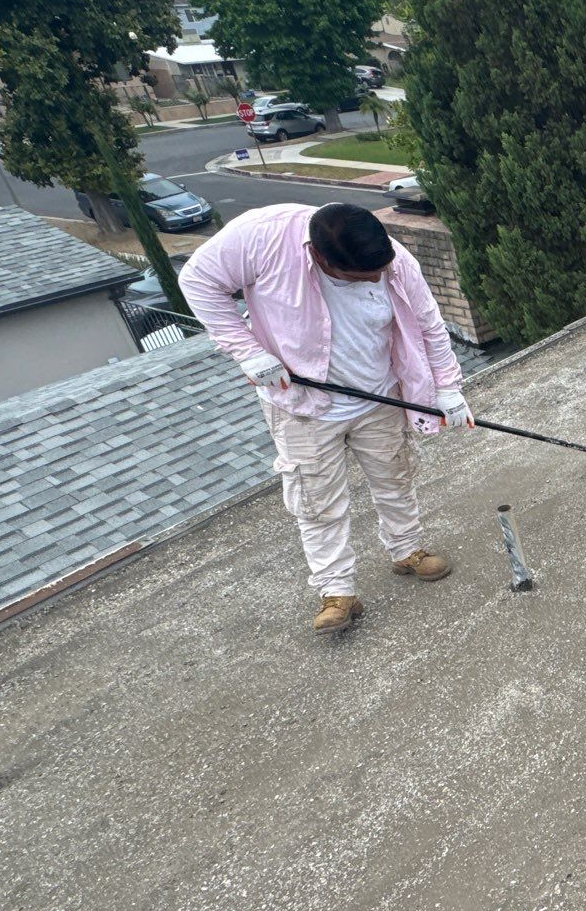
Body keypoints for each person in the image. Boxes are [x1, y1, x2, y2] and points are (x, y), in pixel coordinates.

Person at [180, 202, 476, 635]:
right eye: (361, 279)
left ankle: (407, 550)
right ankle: (337, 592)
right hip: (303, 404)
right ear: (318, 258)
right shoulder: (261, 237)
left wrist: (448, 388)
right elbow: (197, 281)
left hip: (380, 395)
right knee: (317, 501)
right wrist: (248, 352)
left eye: (378, 273)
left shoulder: (391, 258)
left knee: (396, 476)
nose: (376, 281)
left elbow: (429, 326)